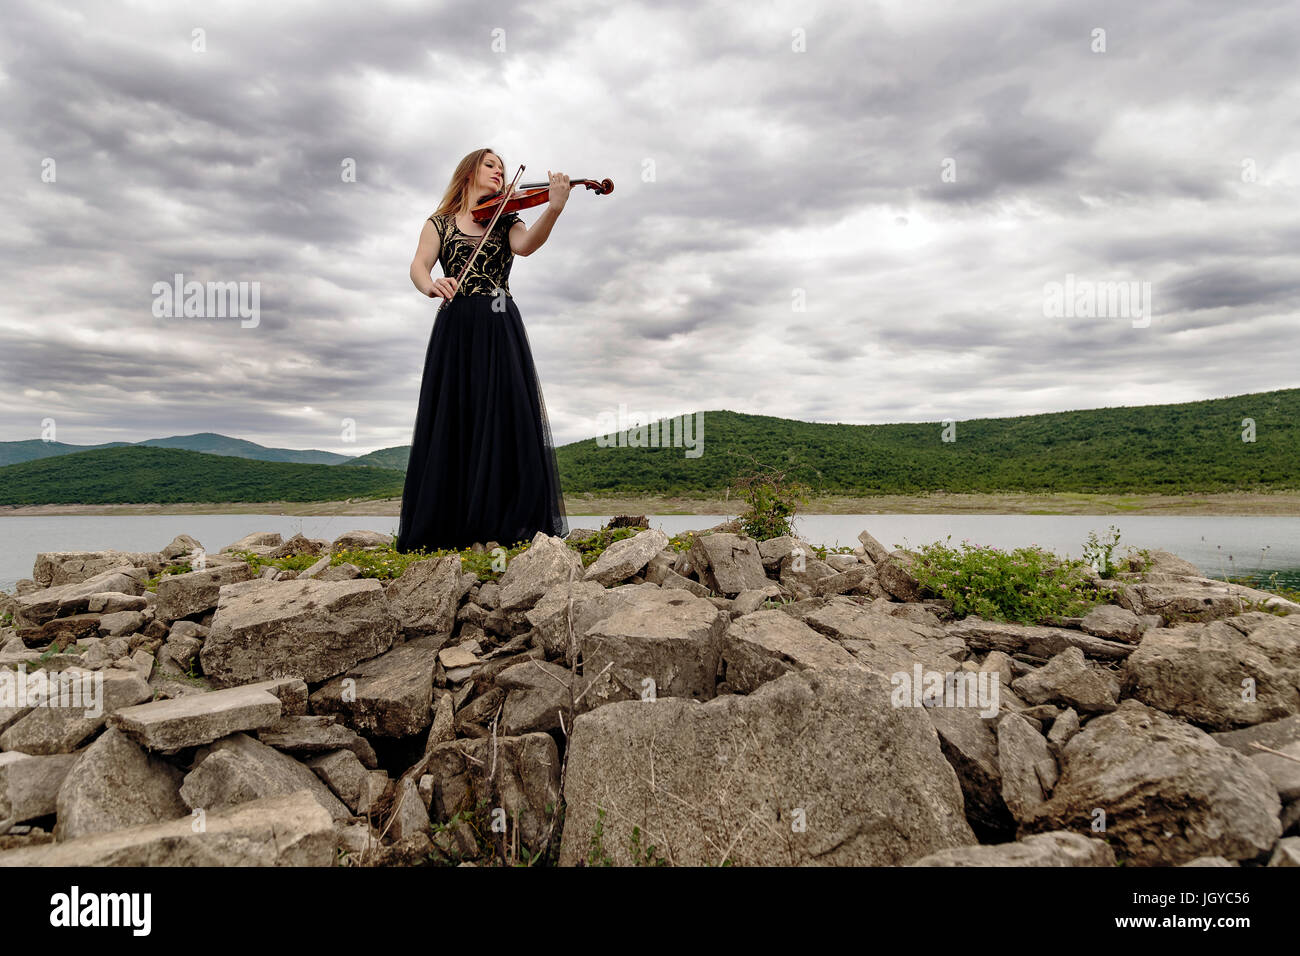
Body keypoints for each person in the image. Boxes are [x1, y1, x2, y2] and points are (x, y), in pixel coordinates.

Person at [395, 147, 570, 554]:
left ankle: (504, 523)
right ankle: (450, 524)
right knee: (454, 415)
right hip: (456, 325)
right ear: (469, 172)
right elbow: (419, 266)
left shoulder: (508, 217)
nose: (498, 172)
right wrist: (430, 285)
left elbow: (525, 246)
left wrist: (555, 208)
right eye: (490, 165)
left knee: (504, 414)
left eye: (502, 168)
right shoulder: (438, 223)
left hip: (498, 321)